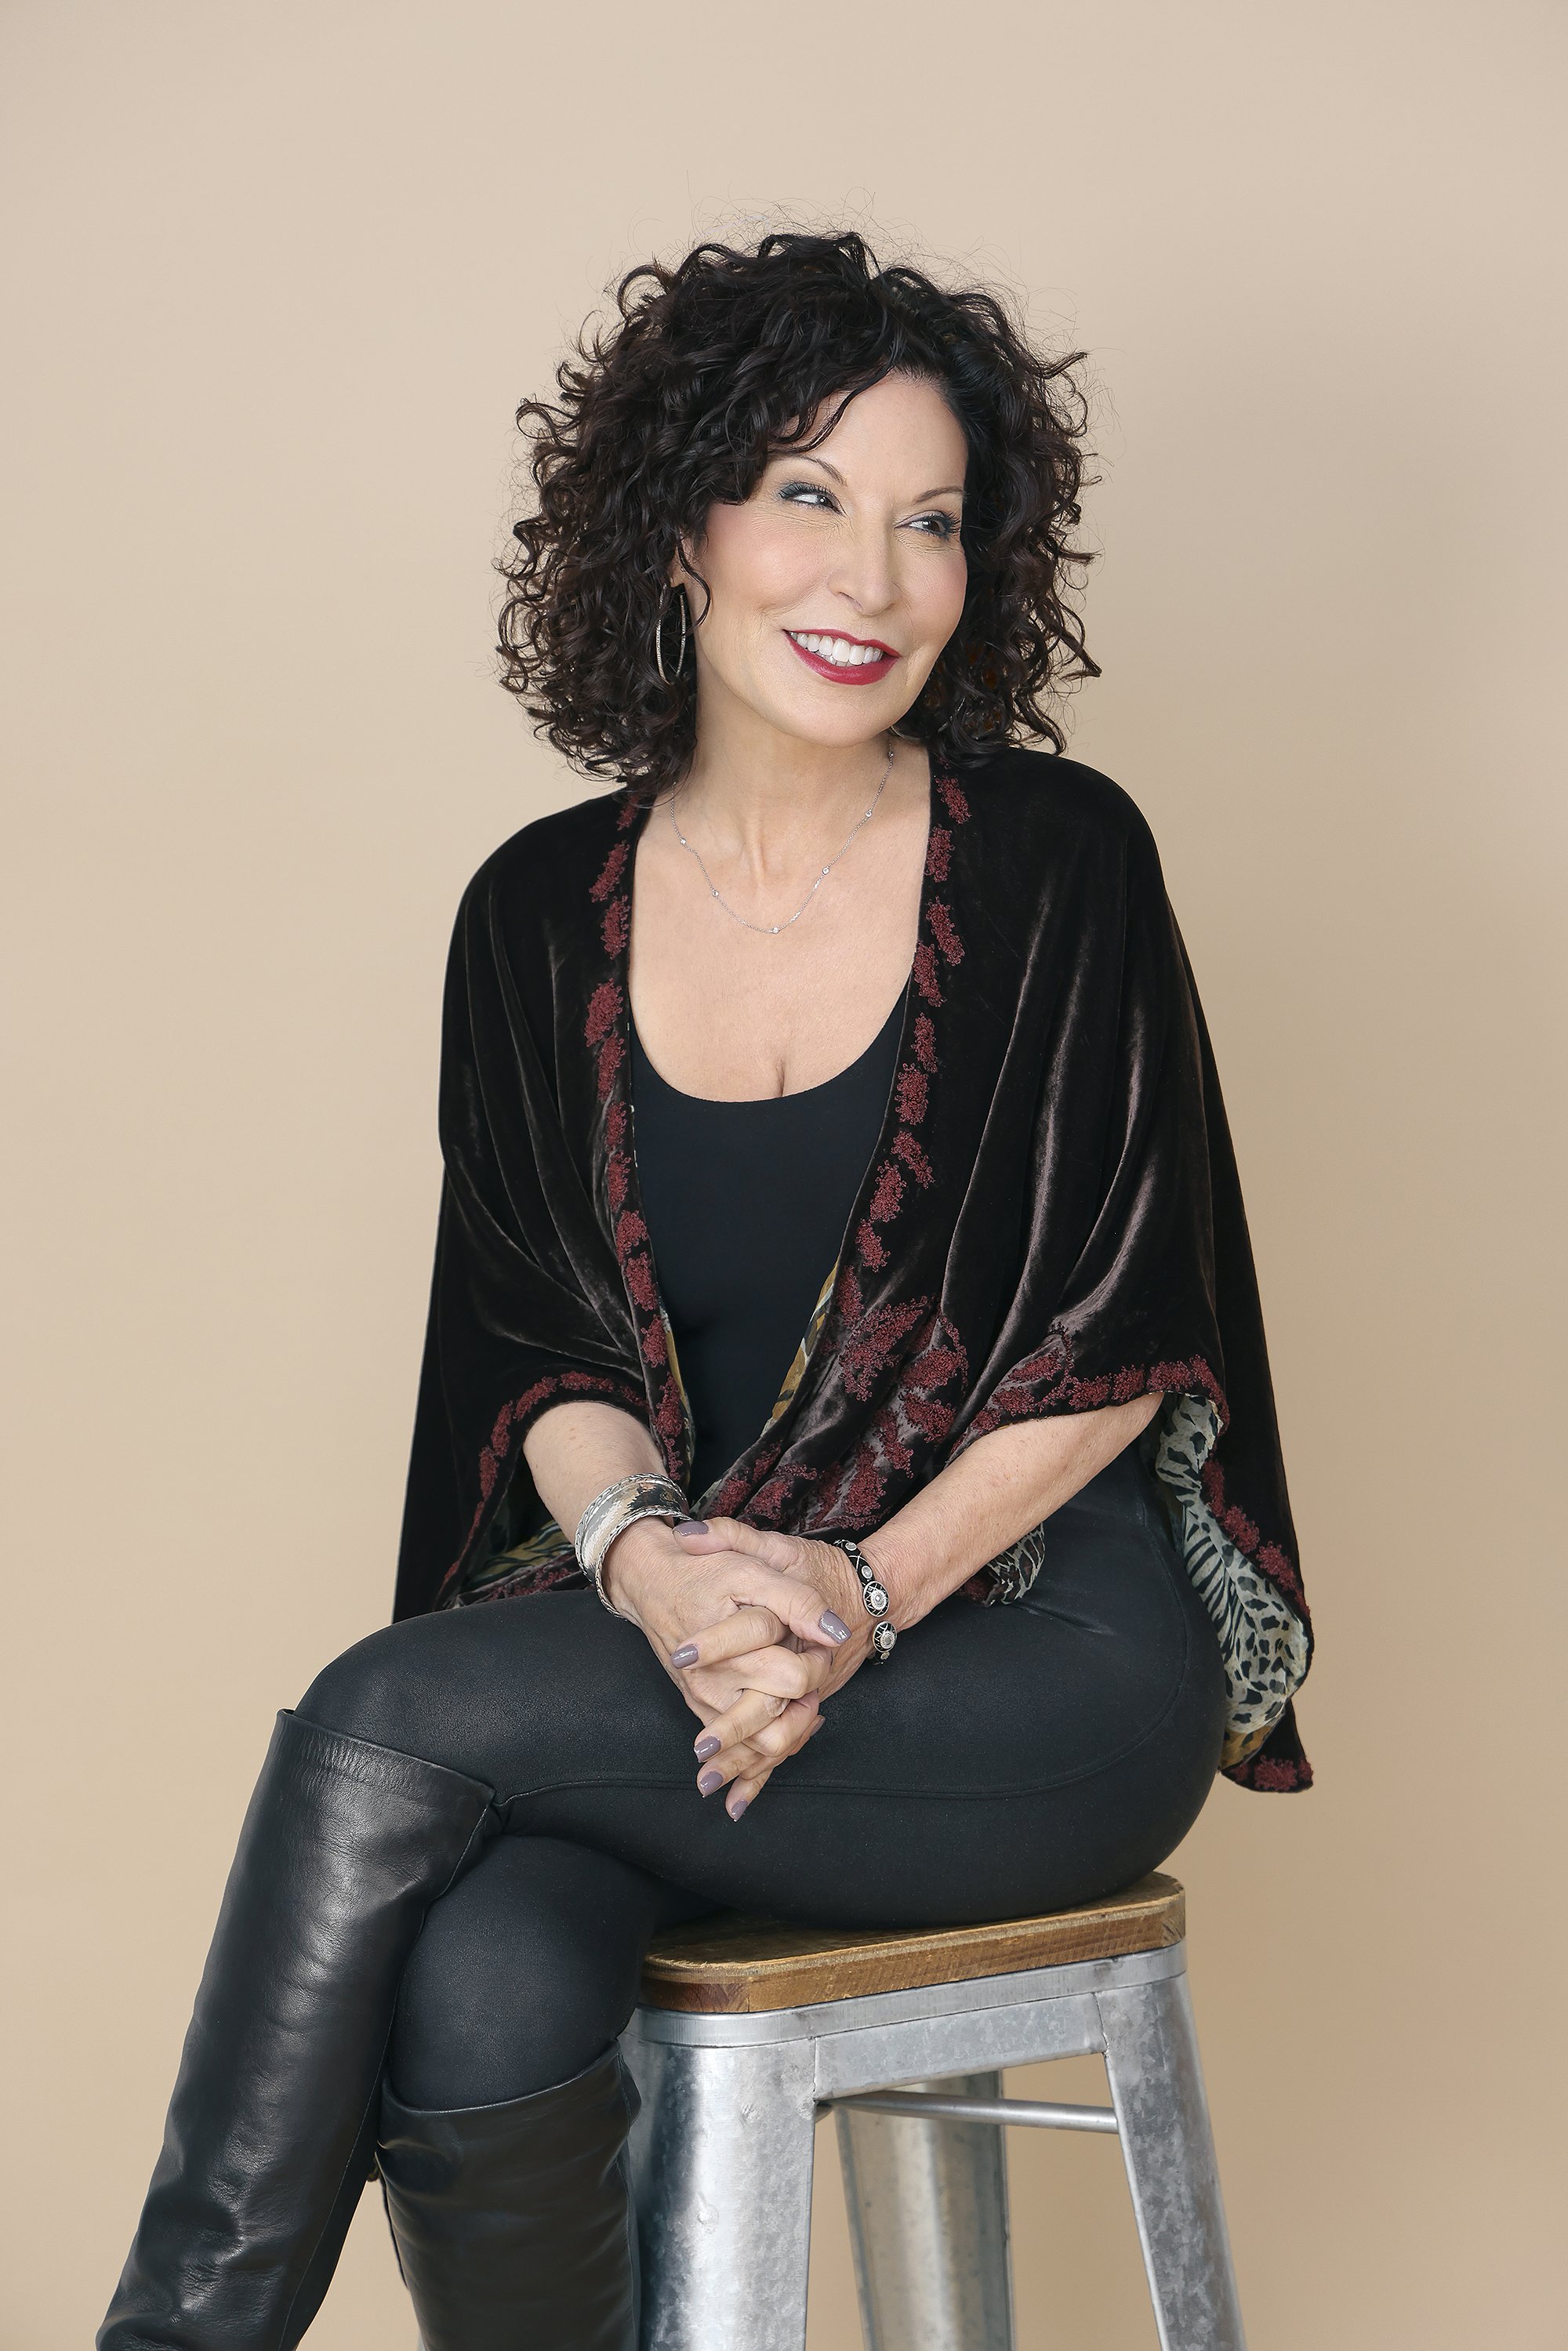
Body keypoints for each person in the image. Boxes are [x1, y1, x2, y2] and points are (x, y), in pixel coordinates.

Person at [100, 229, 1312, 2351]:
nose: (872, 578)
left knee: (396, 1709)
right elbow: (535, 1351)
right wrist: (652, 1568)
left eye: (931, 521)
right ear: (681, 532)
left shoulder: (1062, 863)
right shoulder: (529, 917)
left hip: (1034, 1658)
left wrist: (859, 1598)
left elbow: (1119, 1341)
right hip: (687, 1649)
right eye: (810, 498)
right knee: (484, 1975)